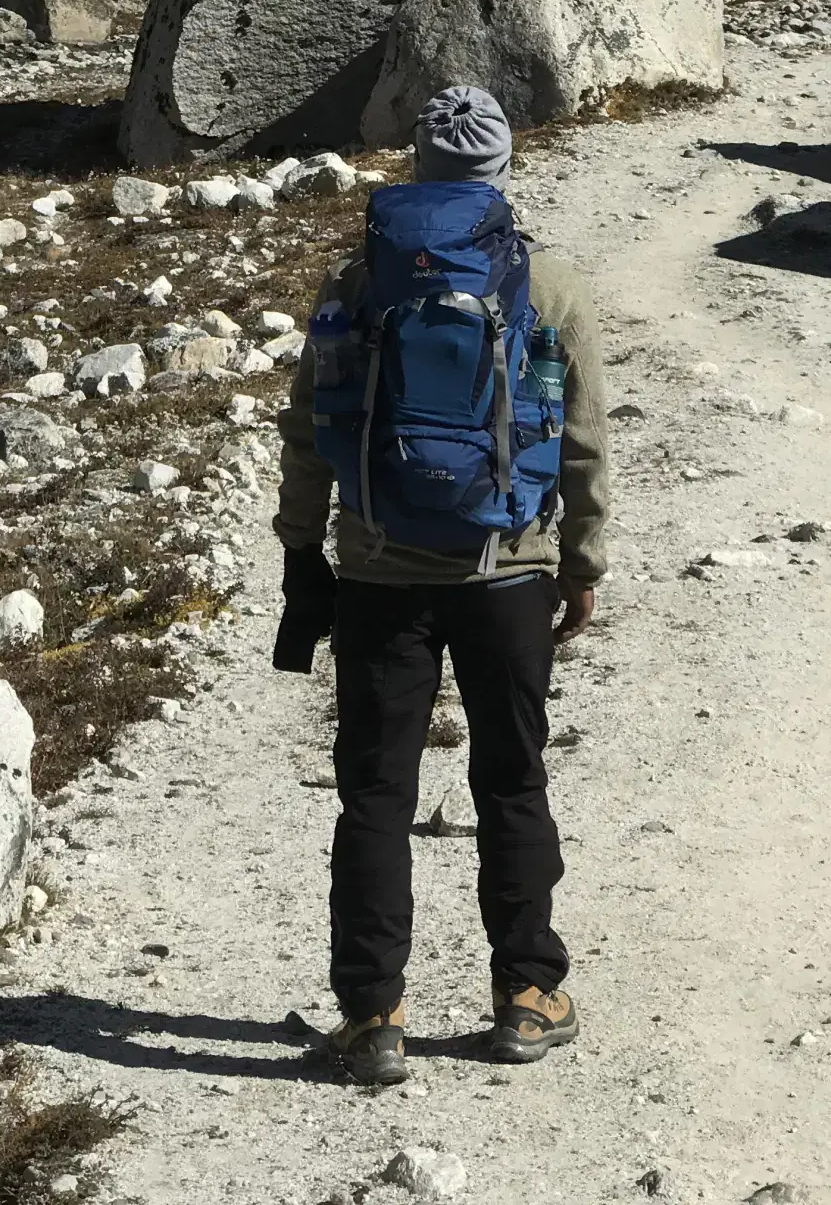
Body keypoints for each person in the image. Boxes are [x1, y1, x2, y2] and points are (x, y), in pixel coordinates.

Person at [272, 84, 608, 1086]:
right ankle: (526, 999)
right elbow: (584, 443)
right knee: (511, 782)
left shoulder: (358, 274)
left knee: (375, 795)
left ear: (416, 166)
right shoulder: (547, 280)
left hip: (379, 572)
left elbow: (308, 434)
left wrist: (302, 553)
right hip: (510, 572)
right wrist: (582, 561)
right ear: (503, 171)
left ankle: (374, 1015)